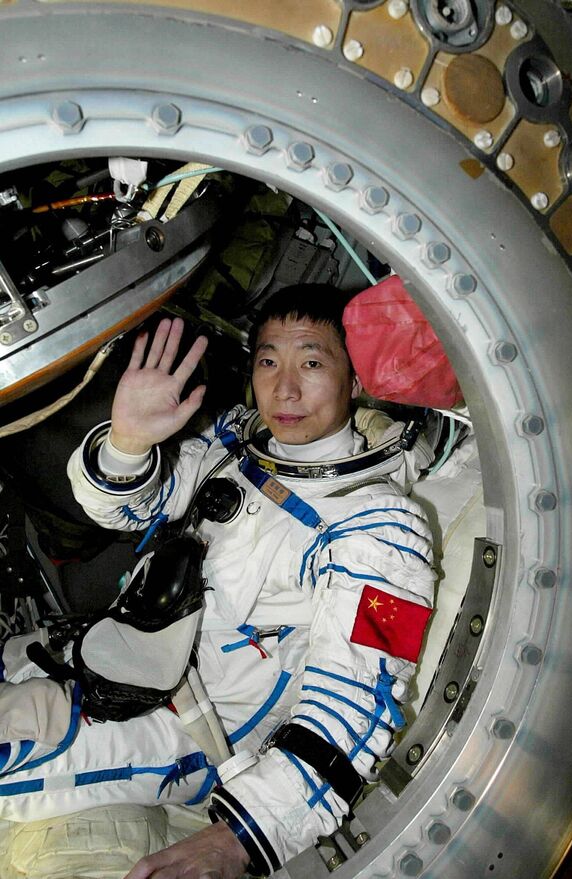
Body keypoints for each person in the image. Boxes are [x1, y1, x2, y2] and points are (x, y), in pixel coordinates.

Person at [0, 284, 435, 879]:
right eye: (269, 362)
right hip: (107, 654)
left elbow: (361, 699)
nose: (285, 389)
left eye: (312, 363)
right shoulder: (237, 443)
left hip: (183, 729)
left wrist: (239, 839)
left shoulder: (380, 527)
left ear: (354, 380)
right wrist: (127, 445)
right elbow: (128, 509)